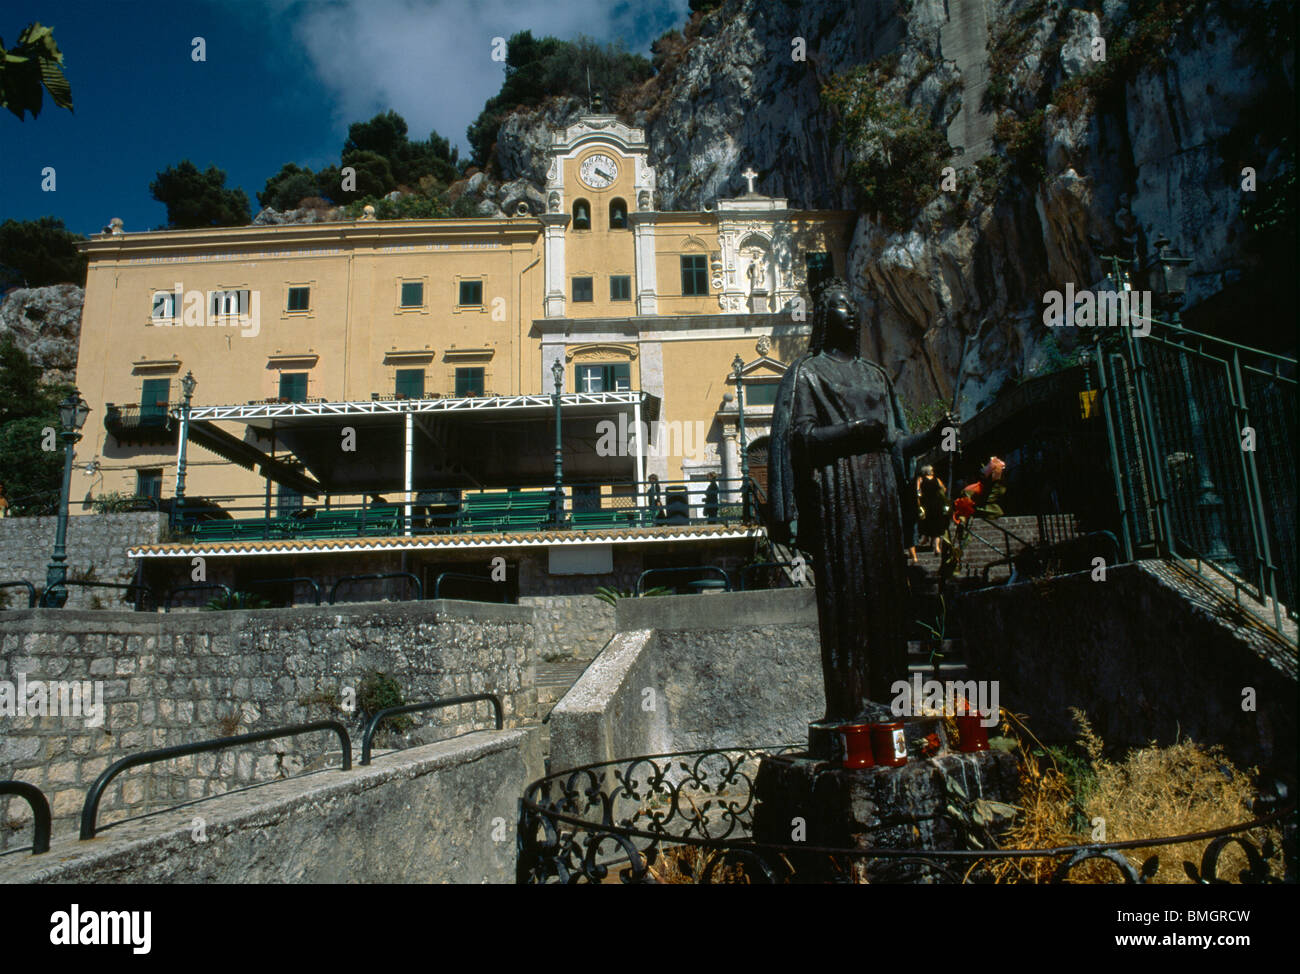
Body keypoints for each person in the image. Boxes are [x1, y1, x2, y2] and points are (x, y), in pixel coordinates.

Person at [769, 278, 956, 723]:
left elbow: (895, 444)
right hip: (838, 492)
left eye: (853, 304)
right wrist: (851, 433)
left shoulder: (875, 375)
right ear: (822, 317)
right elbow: (801, 439)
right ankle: (851, 706)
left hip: (880, 497)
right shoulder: (808, 373)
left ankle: (892, 701)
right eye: (838, 305)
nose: (849, 312)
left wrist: (935, 436)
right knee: (848, 598)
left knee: (889, 599)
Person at [915, 464, 950, 556]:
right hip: (937, 504)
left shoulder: (921, 479)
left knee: (927, 523)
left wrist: (919, 500)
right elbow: (944, 489)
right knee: (937, 526)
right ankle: (937, 547)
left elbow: (917, 491)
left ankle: (925, 539)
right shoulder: (937, 479)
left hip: (926, 504)